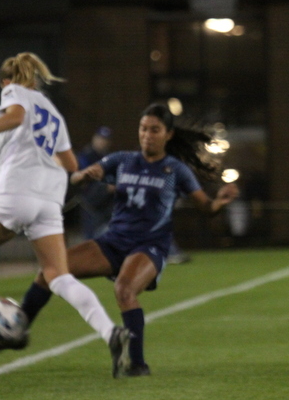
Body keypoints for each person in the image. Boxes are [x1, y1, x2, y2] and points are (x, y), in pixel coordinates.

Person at [0, 52, 131, 377]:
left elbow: (15, 116)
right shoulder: (52, 109)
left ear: (5, 80)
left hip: (15, 191)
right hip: (48, 200)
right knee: (58, 275)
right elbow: (71, 164)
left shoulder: (15, 92)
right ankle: (110, 332)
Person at [17, 103, 239, 377]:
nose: (147, 135)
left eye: (155, 130)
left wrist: (221, 202)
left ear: (168, 134)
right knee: (50, 270)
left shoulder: (175, 170)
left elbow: (205, 207)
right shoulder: (122, 161)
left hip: (149, 247)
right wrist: (84, 175)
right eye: (143, 129)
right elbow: (76, 177)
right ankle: (17, 326)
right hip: (113, 241)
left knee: (124, 290)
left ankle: (137, 364)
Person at [75, 126, 114, 239]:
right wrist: (105, 187)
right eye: (100, 138)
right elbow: (82, 181)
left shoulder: (108, 157)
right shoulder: (85, 156)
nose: (102, 142)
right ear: (94, 138)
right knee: (91, 239)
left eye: (105, 140)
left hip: (105, 206)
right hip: (89, 204)